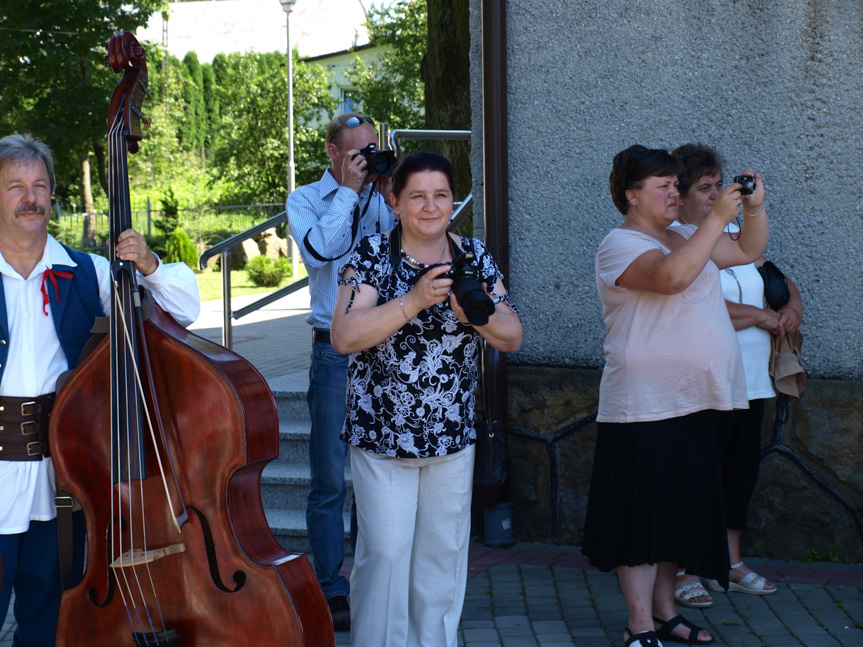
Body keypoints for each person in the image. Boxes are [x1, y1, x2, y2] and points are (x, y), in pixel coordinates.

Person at [0, 133, 201, 646]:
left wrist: (151, 266)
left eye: (40, 186)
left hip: (61, 483)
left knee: (48, 624)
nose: (31, 198)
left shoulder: (86, 271)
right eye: (15, 186)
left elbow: (183, 312)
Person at [330, 151, 522, 646]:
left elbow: (512, 334)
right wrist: (412, 300)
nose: (430, 206)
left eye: (441, 195)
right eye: (417, 195)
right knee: (387, 555)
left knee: (442, 557)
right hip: (382, 438)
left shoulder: (474, 257)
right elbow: (344, 335)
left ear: (453, 201)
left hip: (451, 439)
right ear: (395, 201)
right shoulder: (371, 255)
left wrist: (474, 313)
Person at [581, 145, 769, 647]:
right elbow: (670, 277)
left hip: (696, 402)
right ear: (631, 196)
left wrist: (753, 209)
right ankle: (638, 625)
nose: (673, 193)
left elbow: (750, 251)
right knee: (640, 521)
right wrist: (715, 224)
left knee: (676, 520)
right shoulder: (618, 244)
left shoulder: (687, 234)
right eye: (662, 186)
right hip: (643, 407)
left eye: (674, 183)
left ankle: (665, 615)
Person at [670, 144, 802, 607]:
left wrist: (788, 309)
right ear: (679, 194)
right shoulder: (676, 239)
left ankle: (729, 560)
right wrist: (760, 317)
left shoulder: (730, 234)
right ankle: (685, 566)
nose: (715, 194)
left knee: (739, 471)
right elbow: (698, 305)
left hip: (751, 377)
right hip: (705, 381)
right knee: (700, 474)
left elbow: (771, 275)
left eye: (718, 184)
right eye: (704, 187)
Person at [286, 112, 397, 630]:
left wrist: (393, 193)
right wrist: (351, 191)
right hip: (332, 353)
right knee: (330, 480)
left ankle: (377, 582)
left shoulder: (383, 194)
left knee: (380, 474)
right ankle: (330, 589)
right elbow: (324, 251)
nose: (366, 159)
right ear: (333, 152)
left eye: (372, 149)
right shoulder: (305, 199)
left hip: (383, 347)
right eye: (357, 152)